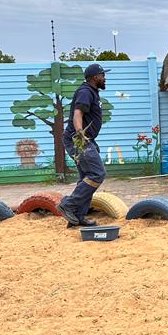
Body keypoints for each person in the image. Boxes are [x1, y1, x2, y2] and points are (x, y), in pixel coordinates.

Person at [56, 63, 109, 227]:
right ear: (94, 77)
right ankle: (68, 205)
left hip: (85, 139)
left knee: (86, 177)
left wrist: (91, 140)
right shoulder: (85, 91)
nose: (104, 77)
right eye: (102, 75)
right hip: (78, 139)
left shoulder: (91, 91)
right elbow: (78, 112)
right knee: (97, 174)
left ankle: (77, 217)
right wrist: (81, 134)